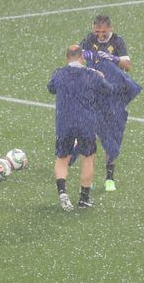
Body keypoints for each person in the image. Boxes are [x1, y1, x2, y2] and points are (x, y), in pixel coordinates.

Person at [47, 45, 114, 211]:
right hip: (86, 123)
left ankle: (62, 192)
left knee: (62, 159)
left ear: (66, 57)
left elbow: (51, 88)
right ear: (82, 58)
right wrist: (100, 76)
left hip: (64, 123)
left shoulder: (59, 73)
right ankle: (84, 199)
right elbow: (109, 90)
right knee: (87, 159)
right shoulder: (91, 75)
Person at [80, 14, 133, 190]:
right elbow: (76, 57)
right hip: (93, 92)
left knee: (111, 135)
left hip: (112, 94)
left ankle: (110, 177)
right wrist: (85, 54)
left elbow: (128, 65)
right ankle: (88, 179)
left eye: (103, 32)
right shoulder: (89, 39)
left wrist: (113, 59)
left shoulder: (117, 41)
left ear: (110, 28)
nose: (100, 35)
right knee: (90, 134)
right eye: (97, 31)